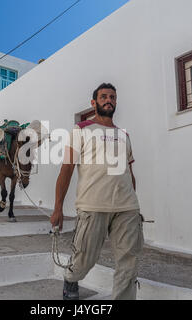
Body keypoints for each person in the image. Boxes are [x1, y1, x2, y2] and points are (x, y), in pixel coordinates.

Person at [50, 83, 144, 300]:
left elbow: (129, 172)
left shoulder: (124, 135)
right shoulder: (81, 129)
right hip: (92, 205)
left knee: (129, 262)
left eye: (112, 97)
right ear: (94, 103)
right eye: (103, 97)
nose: (108, 100)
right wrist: (58, 208)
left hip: (127, 208)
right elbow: (66, 169)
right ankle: (71, 279)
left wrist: (134, 201)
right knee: (84, 259)